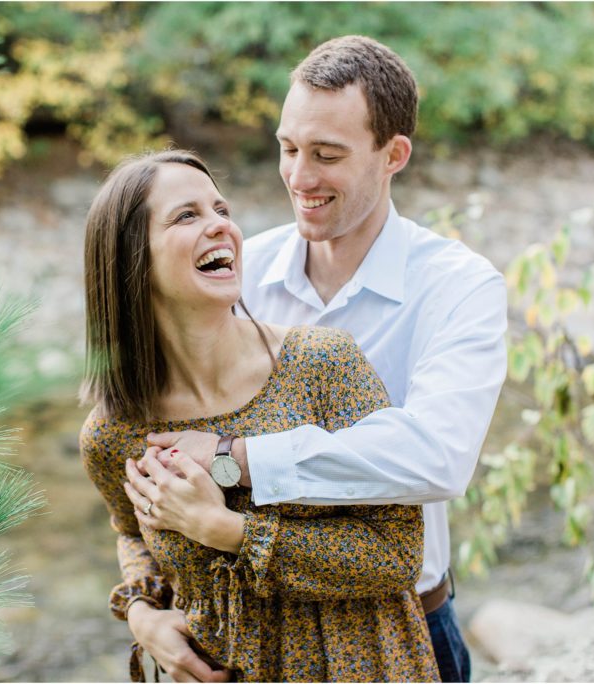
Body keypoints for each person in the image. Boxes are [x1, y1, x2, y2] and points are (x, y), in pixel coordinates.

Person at [125, 36, 508, 682]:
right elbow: (135, 468)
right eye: (288, 148)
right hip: (247, 638)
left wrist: (232, 458)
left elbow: (435, 456)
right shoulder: (233, 274)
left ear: (394, 156)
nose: (300, 177)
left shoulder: (458, 285)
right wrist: (142, 610)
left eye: (327, 155)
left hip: (402, 628)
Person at [80, 149, 440, 682]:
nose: (221, 227)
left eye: (221, 210)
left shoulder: (322, 364)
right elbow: (132, 532)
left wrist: (227, 530)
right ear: (131, 258)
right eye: (187, 215)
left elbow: (397, 553)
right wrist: (141, 612)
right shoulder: (115, 433)